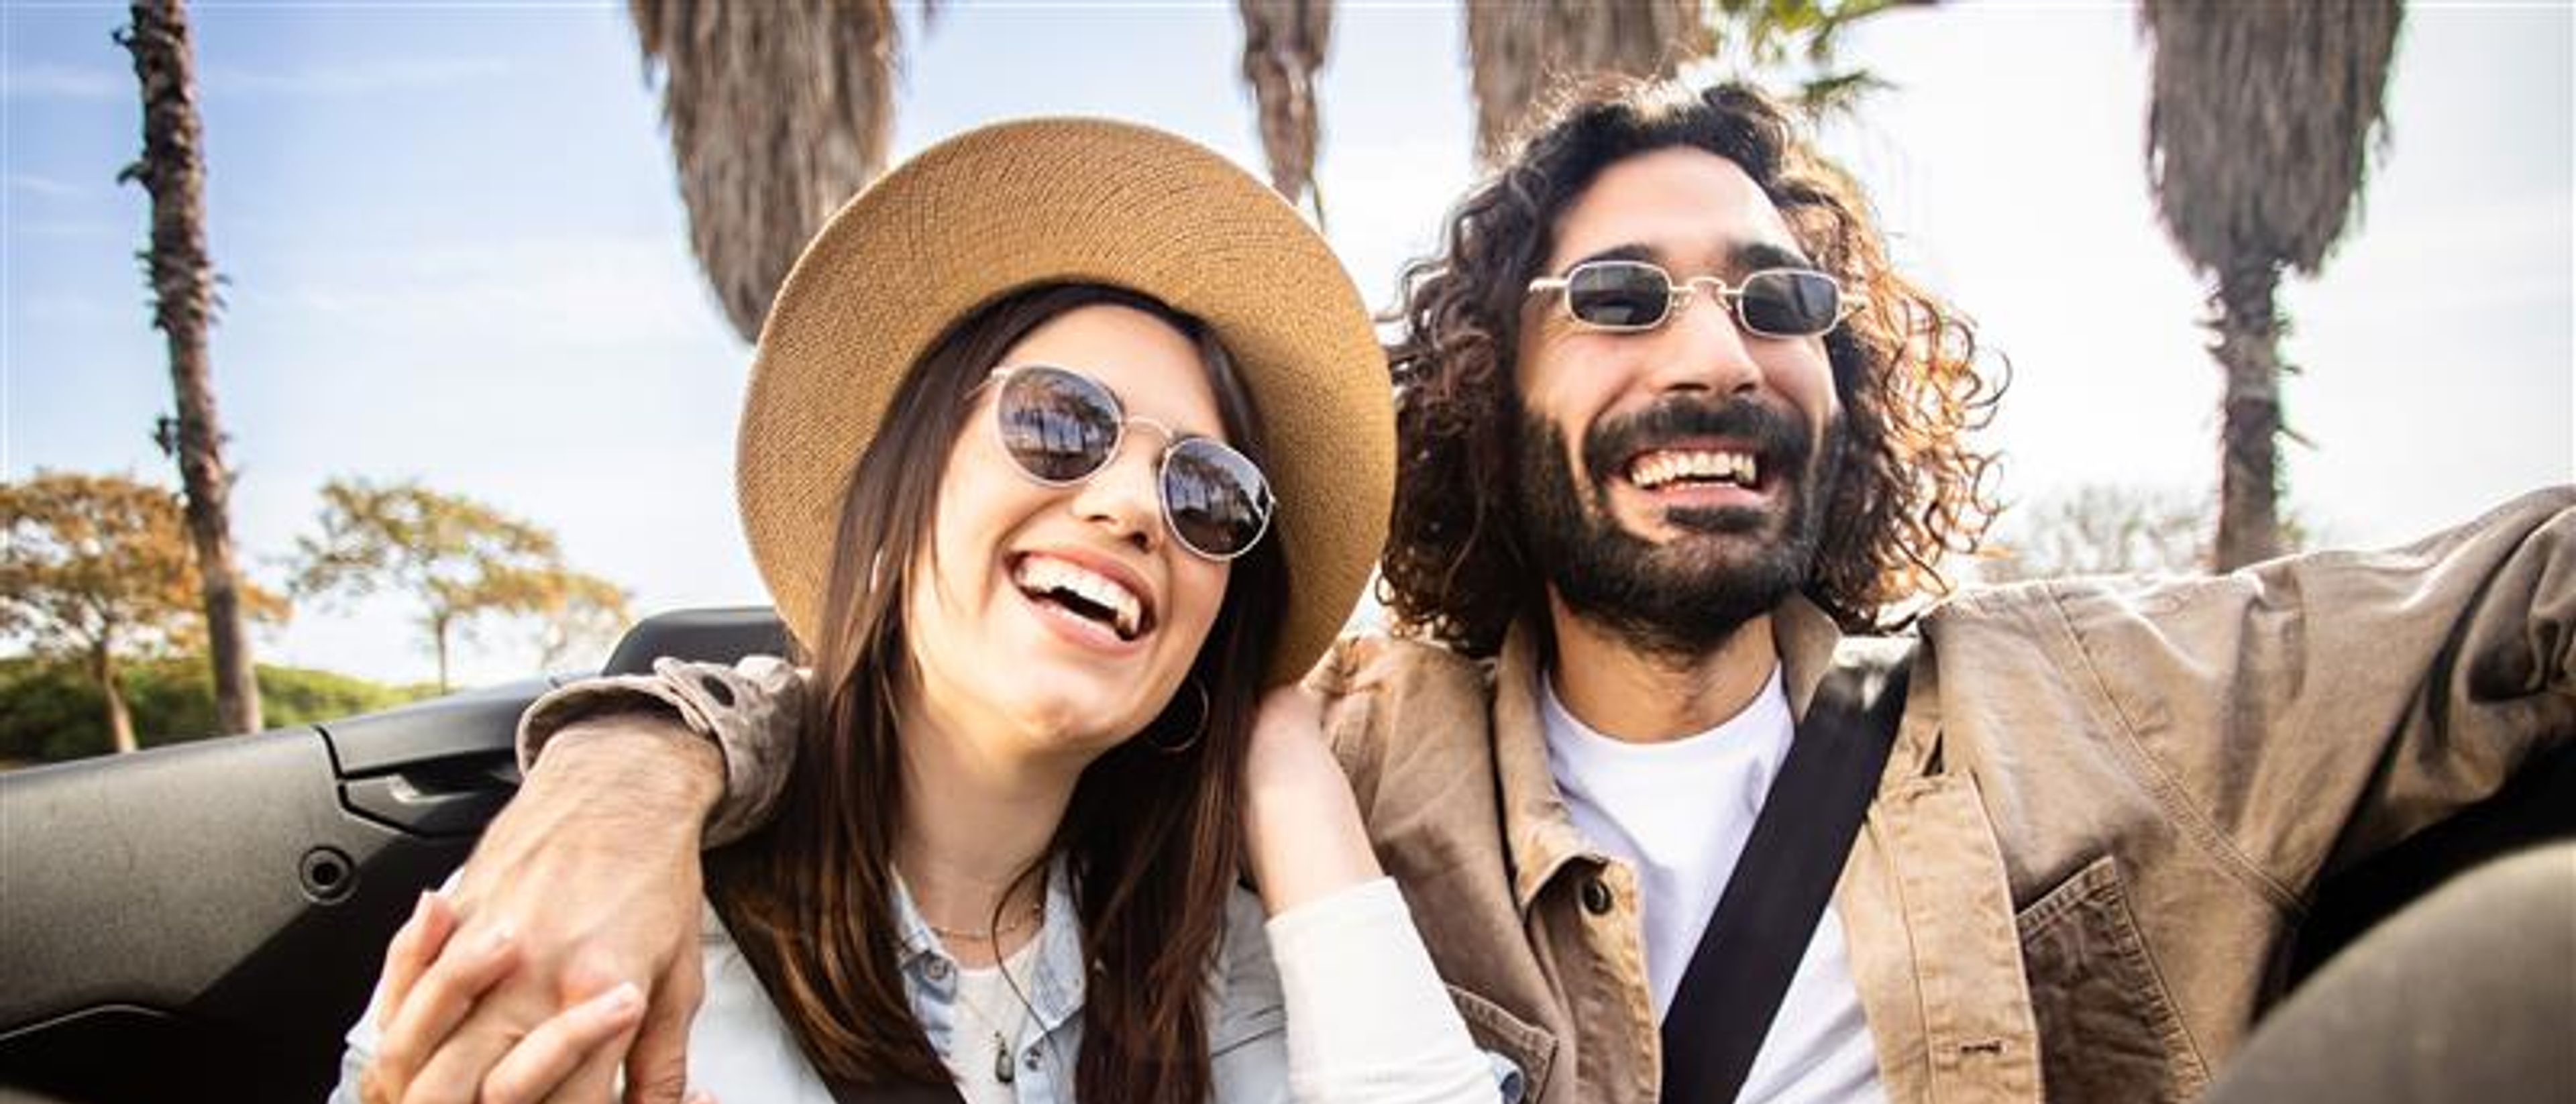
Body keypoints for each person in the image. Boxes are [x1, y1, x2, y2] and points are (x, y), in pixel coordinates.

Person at [370, 82, 2576, 1104]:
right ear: (1493, 388)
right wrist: (632, 769)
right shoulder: (1339, 751)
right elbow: (935, 703)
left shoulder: (2125, 694)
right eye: (1618, 296)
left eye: (1778, 299)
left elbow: (2518, 595)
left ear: (1844, 378)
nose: (1711, 348)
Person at [335, 117, 1515, 1104]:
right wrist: (627, 766)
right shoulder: (619, 933)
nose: (1130, 508)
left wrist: (1282, 755)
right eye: (1061, 423)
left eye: (1207, 494)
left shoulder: (1228, 985)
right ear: (897, 494)